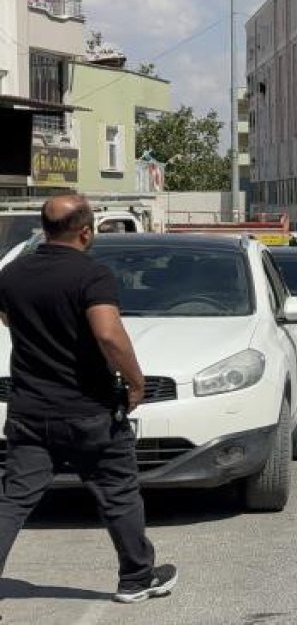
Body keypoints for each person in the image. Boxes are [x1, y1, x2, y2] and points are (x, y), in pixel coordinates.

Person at [0, 195, 177, 604]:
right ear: (85, 231)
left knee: (12, 501)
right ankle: (136, 577)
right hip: (89, 411)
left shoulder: (11, 274)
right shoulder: (92, 275)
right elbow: (108, 334)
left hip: (30, 410)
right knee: (118, 492)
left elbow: (11, 319)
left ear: (44, 229)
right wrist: (135, 382)